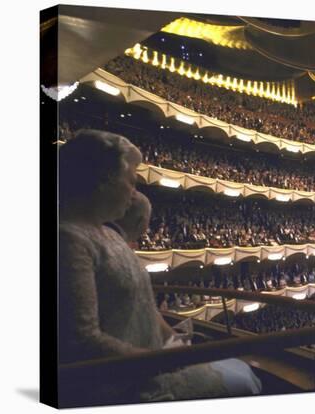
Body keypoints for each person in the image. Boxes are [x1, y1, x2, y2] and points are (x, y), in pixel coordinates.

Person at [58, 129, 261, 404]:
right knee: (244, 378)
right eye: (131, 181)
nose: (134, 194)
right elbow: (81, 341)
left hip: (151, 363)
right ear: (105, 178)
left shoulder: (106, 233)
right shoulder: (67, 239)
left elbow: (143, 305)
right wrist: (160, 360)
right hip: (128, 383)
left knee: (239, 368)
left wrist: (171, 339)